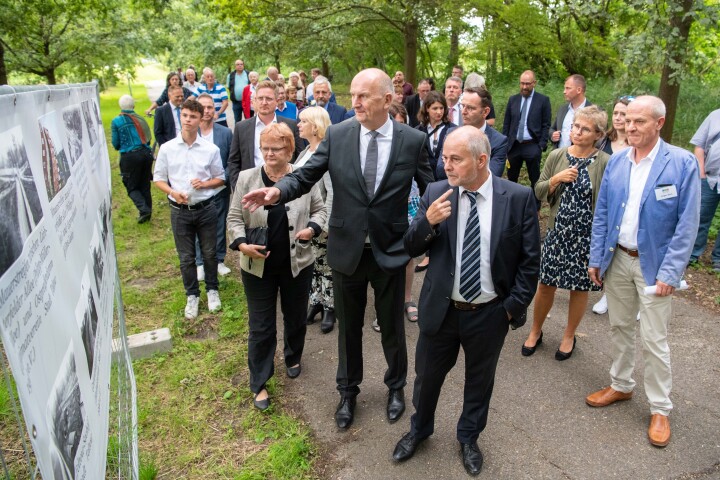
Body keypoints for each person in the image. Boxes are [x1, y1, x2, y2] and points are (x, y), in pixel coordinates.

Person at [241, 68, 434, 429]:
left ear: (388, 99)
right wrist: (278, 191)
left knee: (392, 325)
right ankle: (348, 392)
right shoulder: (339, 135)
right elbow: (305, 174)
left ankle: (395, 387)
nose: (355, 102)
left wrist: (431, 230)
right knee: (349, 329)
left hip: (390, 250)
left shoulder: (412, 140)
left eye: (364, 96)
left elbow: (432, 189)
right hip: (346, 249)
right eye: (354, 95)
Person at [392, 126, 540, 475]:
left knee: (479, 381)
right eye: (444, 158)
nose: (447, 166)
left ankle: (469, 438)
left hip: (489, 313)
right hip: (441, 310)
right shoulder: (436, 192)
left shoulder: (517, 198)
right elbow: (411, 247)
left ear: (482, 160)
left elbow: (530, 262)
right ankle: (419, 430)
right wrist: (427, 222)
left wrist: (510, 310)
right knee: (426, 377)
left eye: (455, 159)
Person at [586, 96, 700, 448]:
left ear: (659, 123)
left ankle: (660, 408)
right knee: (620, 327)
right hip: (617, 259)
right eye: (628, 121)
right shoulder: (618, 162)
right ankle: (621, 385)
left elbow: (687, 224)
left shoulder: (681, 163)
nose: (630, 127)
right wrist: (595, 257)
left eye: (639, 122)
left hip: (655, 268)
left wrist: (671, 272)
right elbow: (602, 211)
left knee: (654, 338)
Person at [227, 123, 326, 411]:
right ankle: (259, 381)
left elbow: (321, 209)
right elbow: (234, 217)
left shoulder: (302, 177)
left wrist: (312, 227)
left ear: (289, 150)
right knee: (261, 327)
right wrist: (242, 244)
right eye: (265, 148)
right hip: (257, 266)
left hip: (297, 263)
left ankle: (293, 355)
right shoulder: (247, 178)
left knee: (295, 317)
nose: (270, 153)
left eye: (277, 148)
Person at [521, 106, 610, 360]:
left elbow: (608, 203)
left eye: (585, 129)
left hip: (586, 238)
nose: (577, 132)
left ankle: (569, 335)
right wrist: (555, 179)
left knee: (578, 289)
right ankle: (535, 331)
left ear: (598, 134)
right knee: (546, 284)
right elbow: (537, 191)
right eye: (575, 126)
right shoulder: (557, 156)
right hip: (557, 232)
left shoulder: (605, 162)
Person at [153, 98, 227, 320]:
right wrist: (173, 192)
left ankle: (212, 290)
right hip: (179, 209)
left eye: (193, 116)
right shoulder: (167, 149)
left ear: (200, 118)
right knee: (186, 257)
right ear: (180, 116)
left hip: (205, 208)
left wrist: (204, 184)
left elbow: (221, 178)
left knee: (210, 252)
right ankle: (192, 295)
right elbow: (158, 178)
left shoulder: (210, 149)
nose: (188, 120)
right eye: (185, 115)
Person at [296, 107, 336, 333]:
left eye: (303, 121)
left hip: (322, 221)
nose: (298, 125)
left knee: (327, 264)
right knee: (313, 262)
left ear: (315, 125)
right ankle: (316, 301)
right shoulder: (305, 152)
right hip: (306, 218)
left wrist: (327, 224)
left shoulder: (324, 151)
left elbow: (332, 191)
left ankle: (330, 307)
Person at [592, 95, 633, 314]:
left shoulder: (636, 144)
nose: (618, 118)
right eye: (615, 113)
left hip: (625, 206)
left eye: (623, 114)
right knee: (605, 248)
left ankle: (632, 299)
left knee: (623, 249)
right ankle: (608, 293)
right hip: (601, 202)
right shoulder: (602, 142)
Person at [227, 80, 303, 190]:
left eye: (268, 99)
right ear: (254, 101)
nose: (264, 102)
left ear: (277, 101)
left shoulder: (290, 125)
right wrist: (238, 187)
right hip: (251, 188)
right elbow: (233, 161)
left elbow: (300, 157)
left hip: (285, 187)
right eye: (260, 98)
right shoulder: (241, 128)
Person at [194, 94, 234, 281]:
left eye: (211, 107)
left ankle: (219, 260)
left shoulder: (225, 133)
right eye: (204, 107)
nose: (208, 111)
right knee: (197, 226)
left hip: (219, 188)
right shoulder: (190, 133)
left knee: (219, 224)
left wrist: (220, 179)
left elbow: (231, 161)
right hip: (196, 190)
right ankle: (200, 262)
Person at [502, 70, 552, 209]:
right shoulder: (513, 99)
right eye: (522, 83)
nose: (524, 87)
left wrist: (541, 145)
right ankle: (511, 204)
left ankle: (535, 207)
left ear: (534, 83)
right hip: (514, 145)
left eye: (528, 84)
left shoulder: (543, 100)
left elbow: (546, 124)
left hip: (532, 145)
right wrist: (505, 143)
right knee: (512, 177)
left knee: (535, 178)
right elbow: (507, 123)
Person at [439, 86, 507, 178]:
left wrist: (456, 168)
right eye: (462, 106)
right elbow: (440, 170)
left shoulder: (499, 141)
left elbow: (492, 176)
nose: (463, 111)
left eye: (470, 108)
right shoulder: (451, 134)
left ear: (485, 112)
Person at [111, 95, 154, 223]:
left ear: (120, 107)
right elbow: (148, 137)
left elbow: (115, 143)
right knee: (145, 184)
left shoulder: (116, 121)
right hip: (146, 154)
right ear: (133, 106)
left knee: (131, 186)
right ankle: (147, 212)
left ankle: (144, 209)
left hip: (130, 157)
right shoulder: (140, 119)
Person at [688, 107, 720, 272]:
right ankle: (692, 254)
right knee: (700, 217)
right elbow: (699, 145)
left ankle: (718, 259)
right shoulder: (715, 115)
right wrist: (701, 173)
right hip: (710, 177)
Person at [415, 91, 457, 178]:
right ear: (427, 108)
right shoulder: (418, 131)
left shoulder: (453, 130)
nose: (439, 112)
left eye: (441, 108)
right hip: (425, 181)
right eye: (435, 108)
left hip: (446, 178)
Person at [550, 74, 593, 149]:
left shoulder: (593, 111)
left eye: (568, 88)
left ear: (579, 90)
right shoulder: (562, 109)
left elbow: (598, 138)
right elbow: (552, 128)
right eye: (564, 88)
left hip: (582, 157)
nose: (564, 92)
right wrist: (552, 135)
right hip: (559, 156)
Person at [227, 59, 250, 123]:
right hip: (236, 102)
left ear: (243, 65)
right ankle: (238, 133)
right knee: (237, 120)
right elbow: (229, 87)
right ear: (235, 66)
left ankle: (249, 132)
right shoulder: (230, 76)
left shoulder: (248, 74)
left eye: (241, 64)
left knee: (249, 119)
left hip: (247, 102)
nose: (240, 66)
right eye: (238, 64)